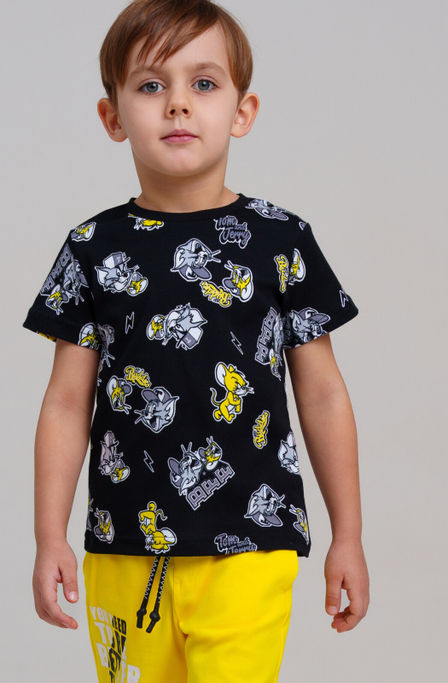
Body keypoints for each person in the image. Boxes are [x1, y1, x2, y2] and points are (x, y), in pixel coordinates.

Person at [22, 1, 370, 681]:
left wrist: (348, 535)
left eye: (203, 83)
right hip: (124, 550)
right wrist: (48, 536)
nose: (178, 103)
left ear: (242, 111)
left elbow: (324, 393)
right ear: (113, 117)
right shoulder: (91, 248)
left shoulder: (282, 240)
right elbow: (65, 402)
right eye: (152, 85)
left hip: (250, 545)